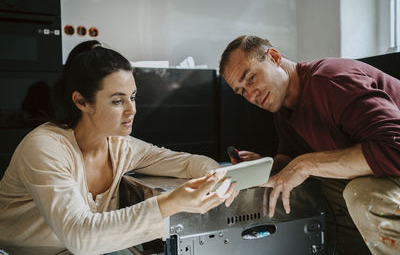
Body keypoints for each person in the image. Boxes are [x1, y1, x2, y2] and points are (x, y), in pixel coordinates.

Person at [0, 40, 235, 255]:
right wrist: (172, 202)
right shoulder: (45, 147)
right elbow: (79, 236)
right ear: (81, 102)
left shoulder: (121, 146)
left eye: (132, 97)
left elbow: (186, 162)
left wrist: (217, 178)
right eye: (117, 100)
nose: (131, 110)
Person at [219, 35, 400, 255]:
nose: (251, 95)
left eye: (250, 78)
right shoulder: (284, 108)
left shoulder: (331, 81)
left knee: (362, 194)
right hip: (387, 171)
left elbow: (394, 146)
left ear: (274, 57)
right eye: (242, 92)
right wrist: (266, 168)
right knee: (306, 186)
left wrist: (305, 164)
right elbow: (292, 156)